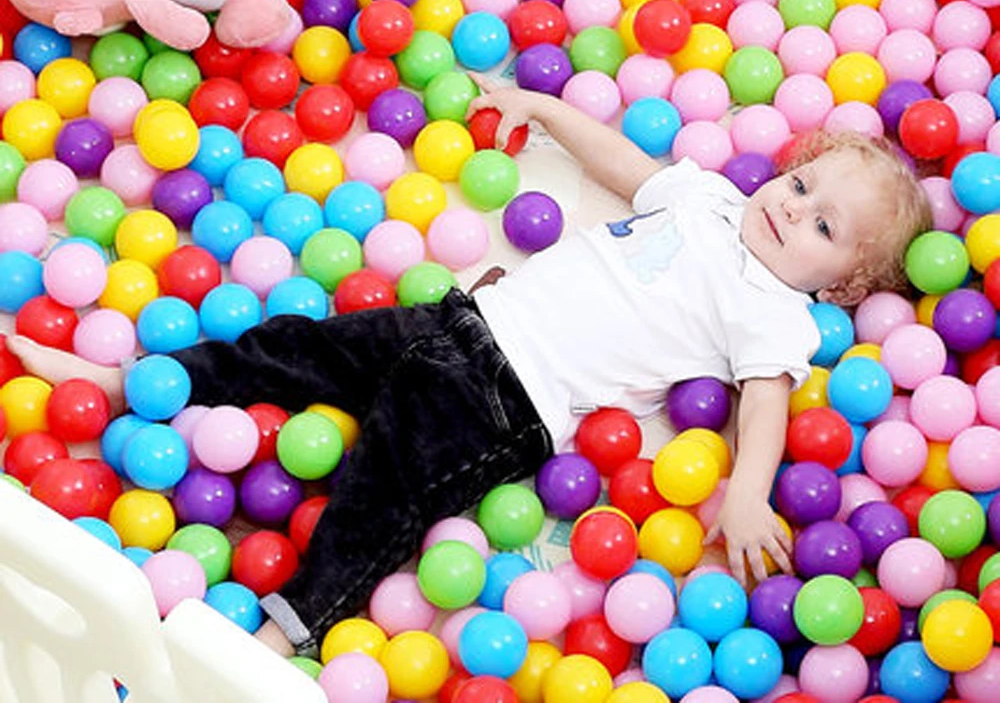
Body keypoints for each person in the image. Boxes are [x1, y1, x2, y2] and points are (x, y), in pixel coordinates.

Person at [7, 85, 933, 660]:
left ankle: (287, 631)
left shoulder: (772, 311)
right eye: (802, 186)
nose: (793, 210)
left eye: (823, 228)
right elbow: (626, 163)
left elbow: (765, 402)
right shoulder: (710, 198)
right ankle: (130, 380)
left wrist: (749, 492)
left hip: (507, 401)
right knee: (292, 345)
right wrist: (547, 110)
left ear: (840, 286)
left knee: (381, 487)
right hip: (462, 319)